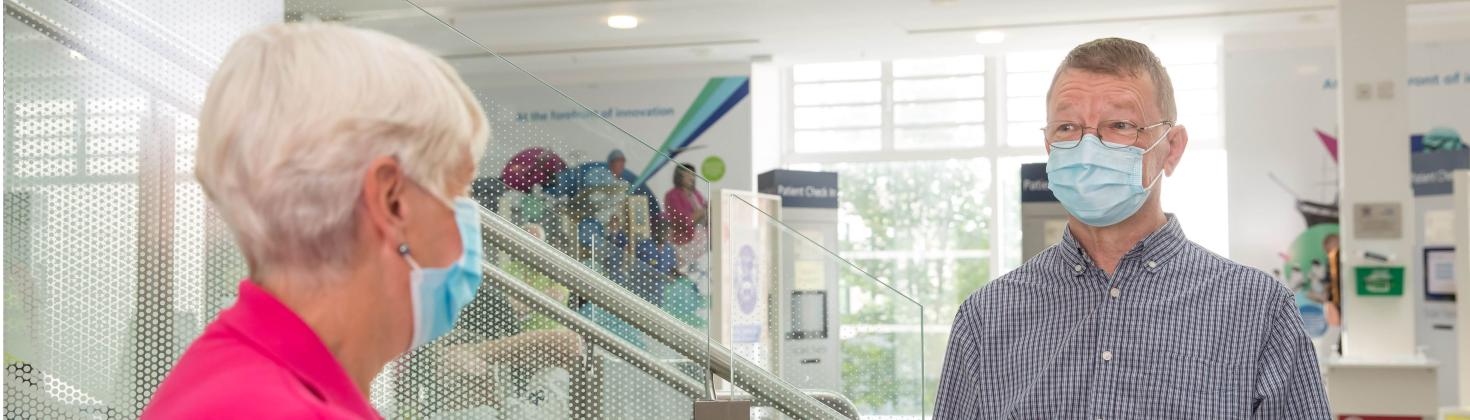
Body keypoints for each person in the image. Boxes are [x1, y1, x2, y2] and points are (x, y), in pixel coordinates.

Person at [933, 38, 1330, 419]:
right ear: (1048, 146)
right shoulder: (987, 318)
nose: (1088, 149)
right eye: (1067, 128)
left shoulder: (1260, 312)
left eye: (1120, 125)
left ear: (1171, 148)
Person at [143, 23, 494, 419]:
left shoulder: (247, 378)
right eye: (460, 189)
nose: (467, 216)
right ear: (392, 200)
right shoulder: (280, 409)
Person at [664, 163, 709, 270]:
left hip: (701, 244)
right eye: (688, 174)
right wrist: (702, 212)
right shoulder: (672, 195)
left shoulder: (696, 194)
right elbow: (684, 221)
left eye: (693, 174)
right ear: (679, 176)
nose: (691, 177)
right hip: (682, 242)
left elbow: (704, 213)